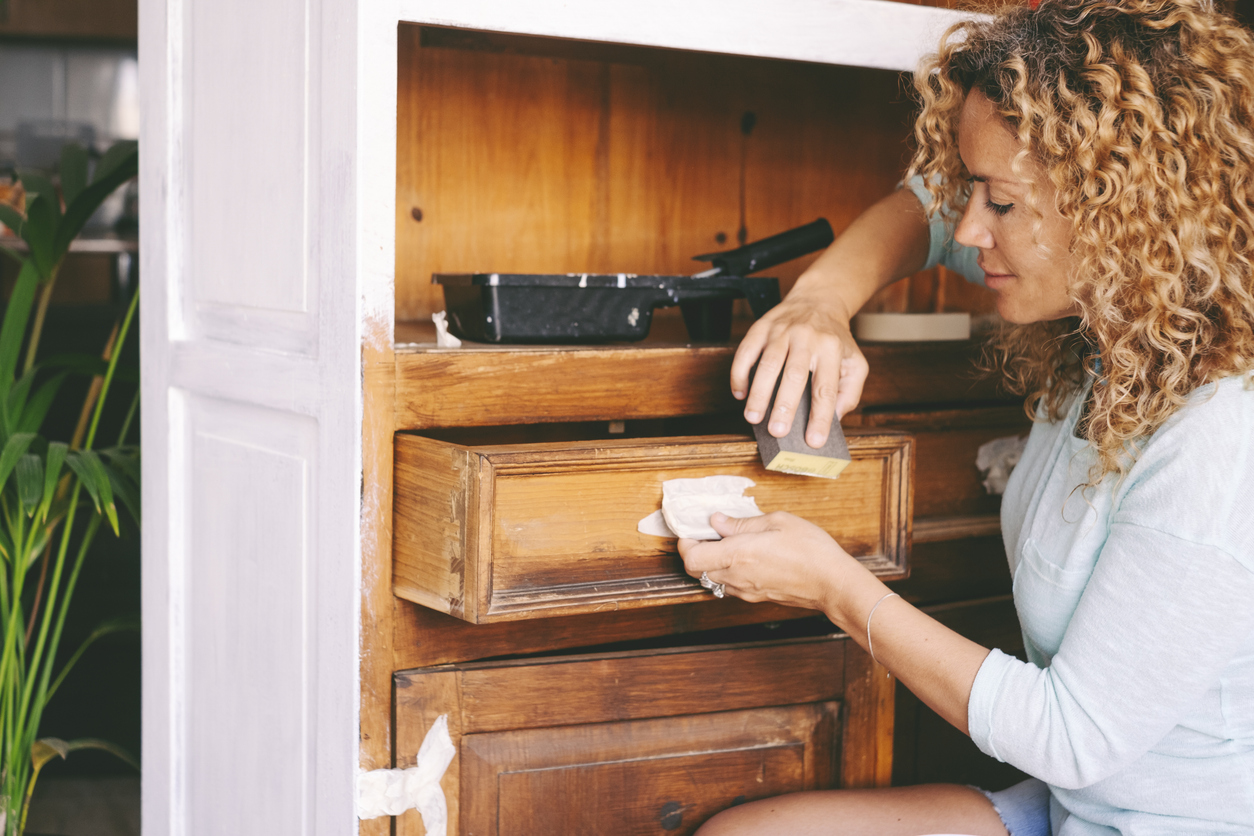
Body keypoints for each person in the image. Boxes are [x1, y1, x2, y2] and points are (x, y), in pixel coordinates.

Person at [679, 0, 1254, 833]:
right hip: (1077, 812)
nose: (971, 225)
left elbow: (1072, 735)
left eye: (1003, 203)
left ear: (1124, 212)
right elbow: (921, 212)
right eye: (973, 187)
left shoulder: (1221, 435)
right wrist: (820, 303)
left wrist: (837, 589)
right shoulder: (1117, 344)